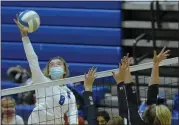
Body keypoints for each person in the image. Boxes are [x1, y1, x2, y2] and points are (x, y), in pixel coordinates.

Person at [14, 15, 78, 125]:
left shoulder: (69, 94)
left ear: (64, 70)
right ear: (48, 71)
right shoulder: (41, 81)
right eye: (52, 65)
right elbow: (32, 59)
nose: (55, 66)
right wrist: (24, 36)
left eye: (59, 64)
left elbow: (73, 116)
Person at [114, 48, 171, 125]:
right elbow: (153, 91)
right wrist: (156, 64)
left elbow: (130, 103)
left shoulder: (136, 121)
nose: (155, 106)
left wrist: (120, 83)